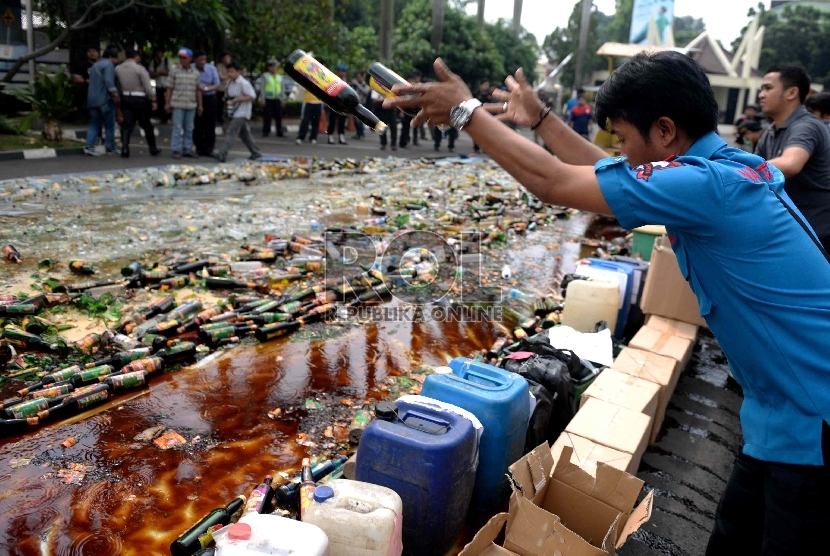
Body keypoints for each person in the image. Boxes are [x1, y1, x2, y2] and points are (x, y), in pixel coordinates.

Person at [387, 53, 830, 556]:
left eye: (623, 137)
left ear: (664, 130)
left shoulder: (707, 186)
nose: (619, 150)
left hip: (813, 418)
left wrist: (467, 112)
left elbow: (555, 182)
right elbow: (607, 171)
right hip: (779, 412)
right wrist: (542, 120)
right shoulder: (719, 168)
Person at [756, 66, 830, 250]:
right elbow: (754, 166)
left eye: (768, 88)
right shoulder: (770, 132)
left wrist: (734, 171)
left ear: (791, 93)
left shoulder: (807, 126)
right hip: (790, 229)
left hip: (818, 233)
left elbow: (790, 164)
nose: (761, 95)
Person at [115, 48, 160, 158]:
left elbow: (117, 84)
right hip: (139, 98)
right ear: (136, 57)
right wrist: (153, 99)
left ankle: (125, 148)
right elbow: (148, 86)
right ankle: (152, 148)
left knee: (127, 125)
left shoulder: (118, 69)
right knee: (146, 124)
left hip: (126, 97)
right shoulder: (140, 69)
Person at [214, 62, 263, 163]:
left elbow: (252, 96)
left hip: (242, 112)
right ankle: (256, 152)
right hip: (234, 111)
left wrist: (237, 99)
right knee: (245, 135)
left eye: (231, 71)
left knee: (231, 132)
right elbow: (228, 93)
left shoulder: (243, 83)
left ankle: (222, 153)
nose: (229, 74)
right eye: (228, 72)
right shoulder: (229, 82)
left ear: (237, 72)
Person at [165, 48, 203, 159]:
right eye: (180, 58)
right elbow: (169, 88)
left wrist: (200, 105)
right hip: (177, 104)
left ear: (190, 59)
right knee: (177, 127)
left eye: (184, 58)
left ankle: (188, 149)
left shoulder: (195, 73)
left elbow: (198, 90)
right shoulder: (174, 71)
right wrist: (167, 103)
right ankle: (176, 149)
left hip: (191, 104)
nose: (182, 60)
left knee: (189, 128)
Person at [84, 48, 120, 156]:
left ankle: (89, 146)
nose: (116, 61)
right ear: (110, 57)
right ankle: (111, 147)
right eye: (115, 59)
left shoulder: (95, 66)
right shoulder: (108, 65)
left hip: (92, 100)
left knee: (95, 123)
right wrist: (115, 94)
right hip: (104, 99)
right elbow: (109, 81)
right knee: (109, 124)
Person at [193, 49, 220, 157]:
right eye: (200, 60)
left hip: (210, 97)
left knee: (210, 124)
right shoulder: (191, 68)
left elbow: (216, 84)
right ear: (195, 60)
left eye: (204, 59)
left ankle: (209, 149)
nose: (202, 62)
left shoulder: (211, 68)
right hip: (195, 97)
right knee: (198, 123)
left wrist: (205, 88)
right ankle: (199, 147)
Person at [326, 64, 349, 145]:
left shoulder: (346, 81)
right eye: (341, 71)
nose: (343, 73)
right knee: (332, 120)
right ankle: (330, 136)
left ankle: (341, 136)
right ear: (338, 71)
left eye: (344, 71)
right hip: (333, 103)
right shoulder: (334, 80)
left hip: (343, 104)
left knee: (342, 121)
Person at [400, 71, 424, 148]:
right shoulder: (404, 87)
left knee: (415, 125)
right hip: (406, 108)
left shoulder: (418, 86)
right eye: (410, 80)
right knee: (405, 127)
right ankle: (403, 142)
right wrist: (401, 111)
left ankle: (413, 139)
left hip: (415, 109)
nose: (412, 82)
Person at [259, 59, 283, 137]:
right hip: (268, 99)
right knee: (267, 116)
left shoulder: (279, 77)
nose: (273, 68)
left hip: (277, 99)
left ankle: (279, 132)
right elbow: (262, 88)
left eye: (274, 66)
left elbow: (282, 88)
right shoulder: (265, 76)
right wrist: (262, 98)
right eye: (271, 66)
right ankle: (266, 131)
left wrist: (283, 99)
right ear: (268, 68)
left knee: (279, 116)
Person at [148, 49, 170, 124]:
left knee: (167, 100)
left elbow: (169, 72)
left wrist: (158, 73)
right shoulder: (153, 62)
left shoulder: (167, 61)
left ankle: (166, 117)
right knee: (160, 101)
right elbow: (151, 73)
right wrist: (161, 73)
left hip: (166, 84)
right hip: (158, 84)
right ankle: (161, 117)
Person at [471, 78, 492, 153]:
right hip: (477, 114)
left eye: (487, 85)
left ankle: (485, 147)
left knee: (486, 132)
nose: (486, 87)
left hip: (487, 115)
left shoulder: (490, 95)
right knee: (476, 131)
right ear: (481, 85)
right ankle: (476, 147)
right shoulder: (476, 93)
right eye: (484, 85)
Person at [351, 70, 371, 140]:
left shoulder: (366, 84)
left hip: (362, 104)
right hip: (355, 103)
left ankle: (361, 134)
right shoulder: (355, 84)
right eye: (357, 77)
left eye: (359, 77)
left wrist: (357, 85)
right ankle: (358, 133)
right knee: (355, 120)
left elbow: (365, 91)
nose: (358, 79)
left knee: (360, 120)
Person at [216, 52, 231, 123]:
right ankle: (219, 118)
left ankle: (230, 118)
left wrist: (226, 76)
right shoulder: (219, 66)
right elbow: (221, 77)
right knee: (220, 105)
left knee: (230, 104)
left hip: (230, 89)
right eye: (225, 58)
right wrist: (229, 76)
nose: (226, 59)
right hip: (221, 88)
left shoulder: (231, 66)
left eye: (228, 58)